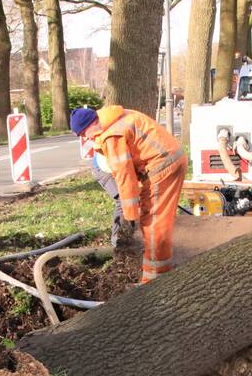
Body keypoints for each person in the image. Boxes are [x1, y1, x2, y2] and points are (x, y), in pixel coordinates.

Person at [70, 105, 187, 283]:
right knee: (156, 220)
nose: (86, 138)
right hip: (168, 160)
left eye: (84, 133)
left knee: (154, 224)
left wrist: (130, 216)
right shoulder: (115, 117)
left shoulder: (111, 136)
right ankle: (159, 271)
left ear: (92, 123)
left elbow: (125, 178)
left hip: (162, 167)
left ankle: (156, 280)